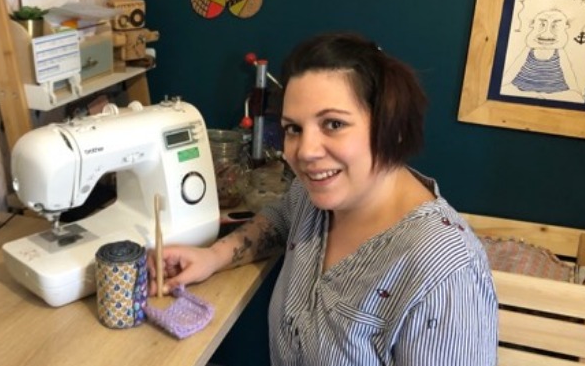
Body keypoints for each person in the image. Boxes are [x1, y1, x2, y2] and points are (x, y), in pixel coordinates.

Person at [150, 32, 498, 365]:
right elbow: (279, 219)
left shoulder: (445, 274)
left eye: (333, 124)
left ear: (390, 125)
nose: (305, 151)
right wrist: (214, 256)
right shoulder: (315, 196)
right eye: (293, 128)